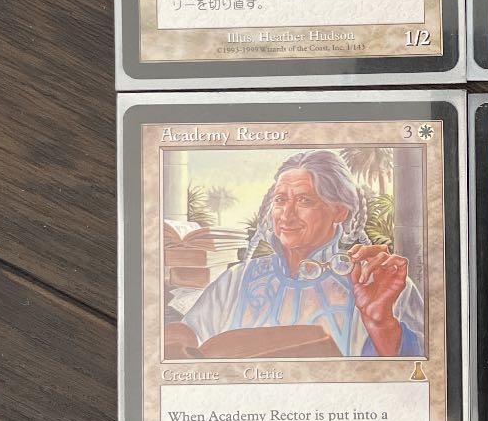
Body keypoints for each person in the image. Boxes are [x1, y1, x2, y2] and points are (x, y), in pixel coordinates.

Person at [167, 150, 423, 357]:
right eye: (280, 200)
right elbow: (191, 339)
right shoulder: (236, 280)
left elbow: (424, 377)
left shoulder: (378, 283)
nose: (287, 215)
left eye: (304, 201)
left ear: (339, 211)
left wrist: (382, 324)